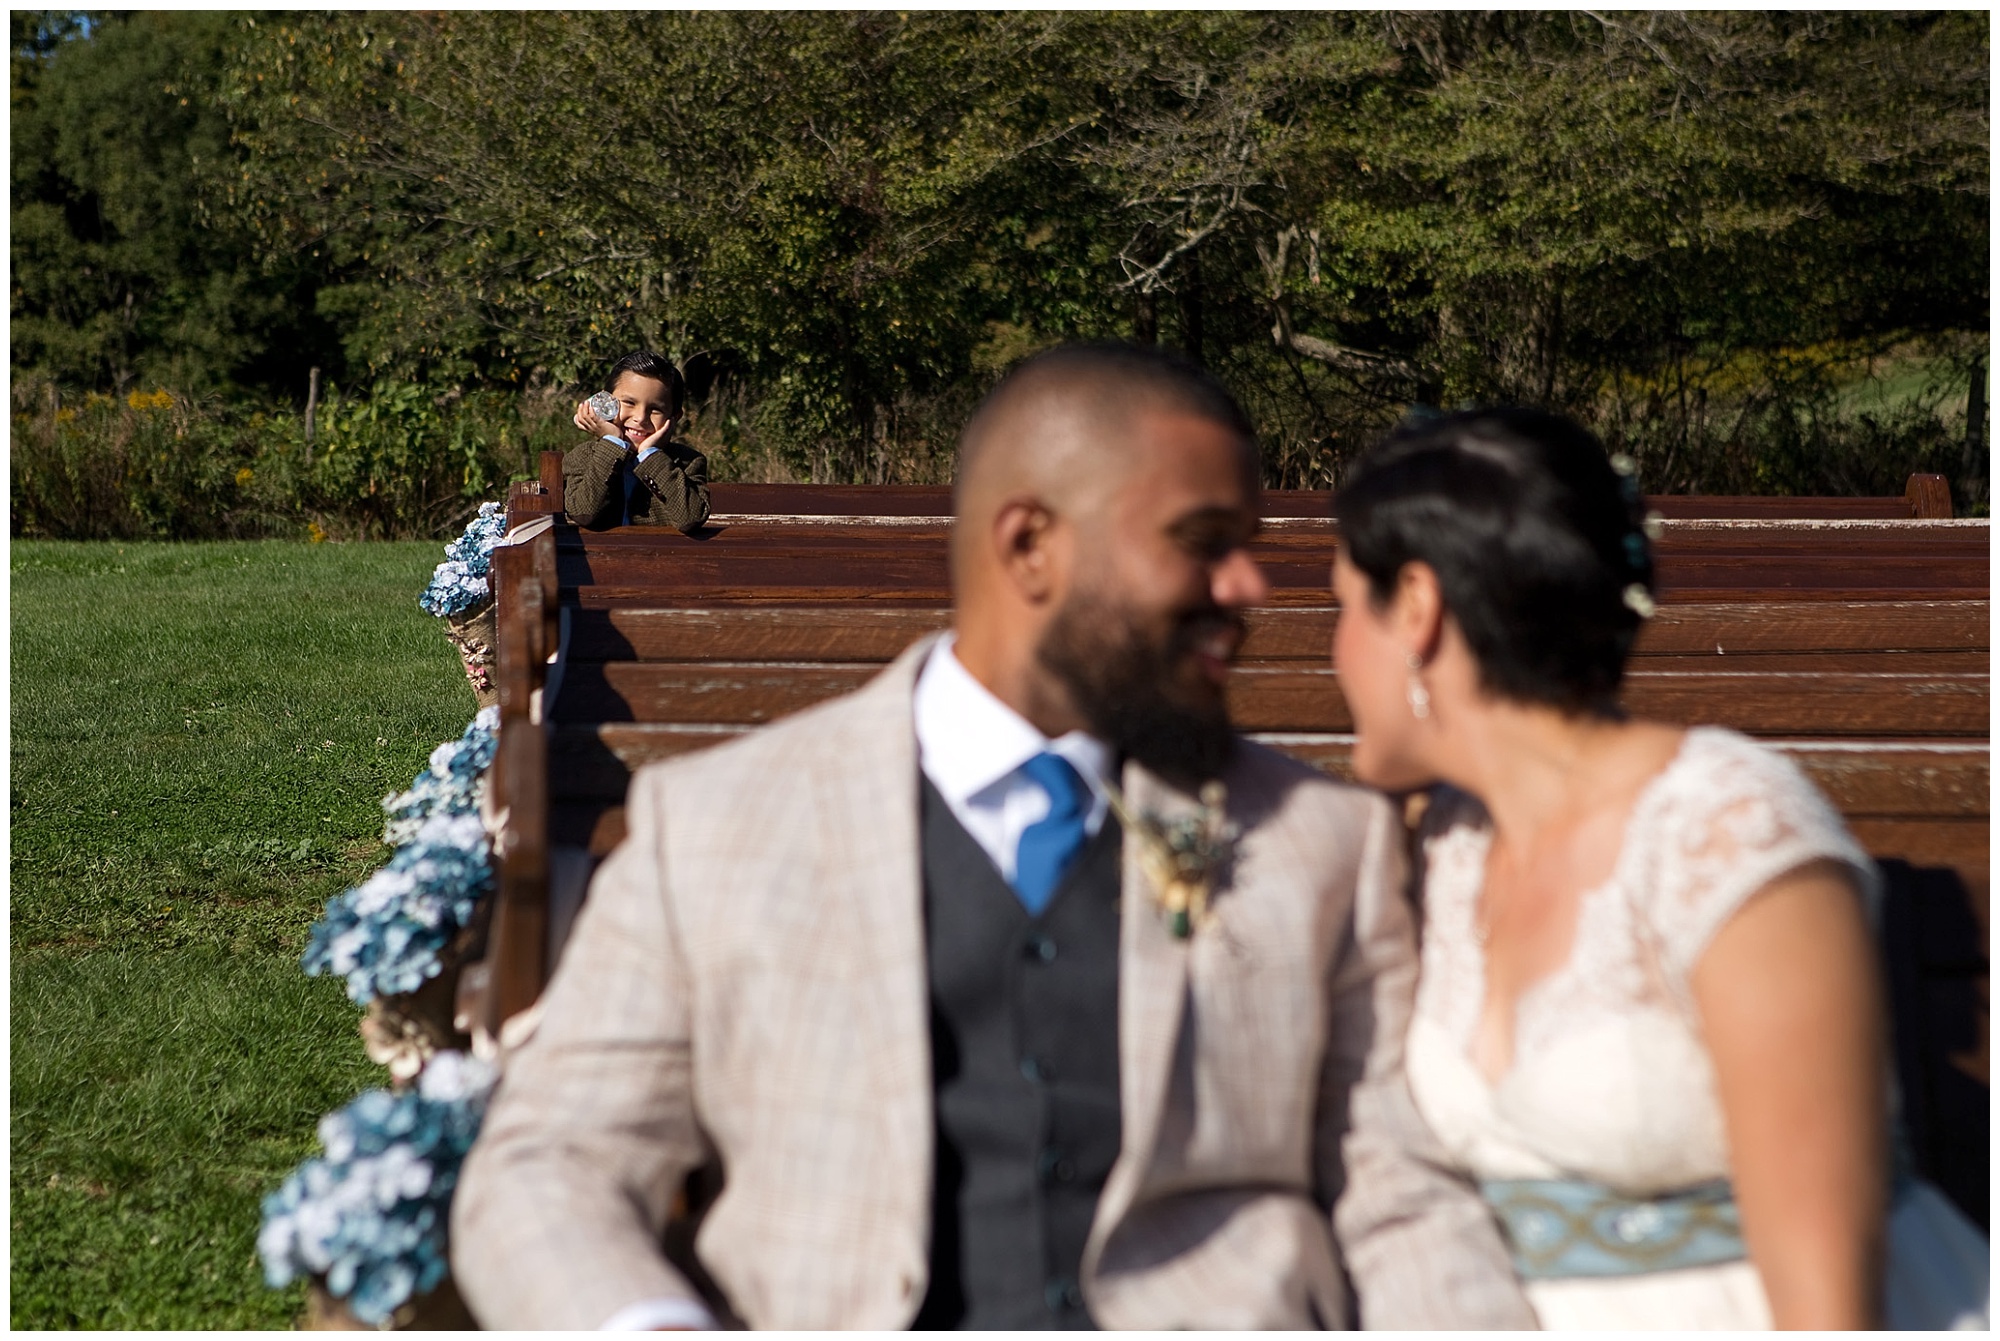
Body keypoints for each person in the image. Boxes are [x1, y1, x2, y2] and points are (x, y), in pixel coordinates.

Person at [451, 345, 1535, 1330]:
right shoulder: (715, 828)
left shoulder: (1321, 845)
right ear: (1028, 545)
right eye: (1203, 545)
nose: (1248, 587)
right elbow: (550, 1164)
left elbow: (1400, 1201)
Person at [1328, 407, 1989, 1329]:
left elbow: (1827, 1304)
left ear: (1416, 607)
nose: (1335, 652)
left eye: (1343, 608)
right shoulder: (1435, 844)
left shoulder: (1728, 830)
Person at [564, 350, 711, 531]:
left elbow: (690, 518)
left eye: (655, 409)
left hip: (662, 558)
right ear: (606, 403)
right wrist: (613, 443)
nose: (640, 418)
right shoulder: (581, 457)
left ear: (674, 417)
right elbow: (584, 512)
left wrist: (651, 456)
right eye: (629, 403)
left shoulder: (688, 462)